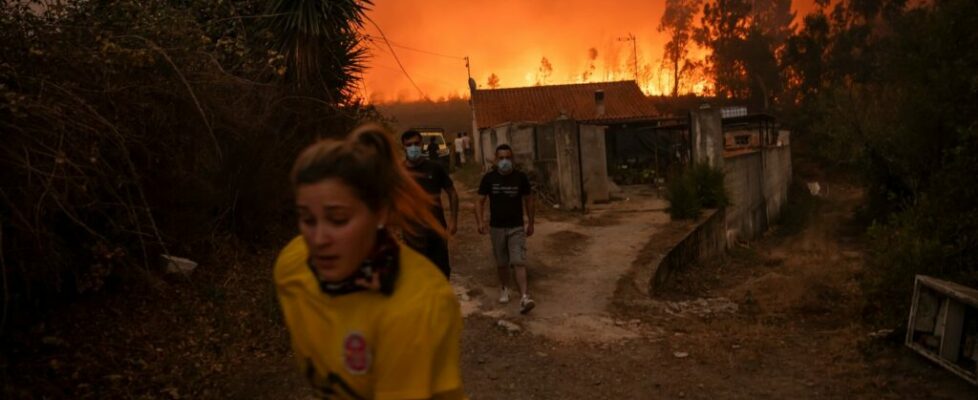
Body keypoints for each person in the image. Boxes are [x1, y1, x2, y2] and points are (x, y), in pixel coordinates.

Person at [274, 124, 466, 399]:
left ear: (381, 213)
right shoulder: (292, 268)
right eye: (307, 218)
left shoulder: (418, 306)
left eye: (338, 219)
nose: (318, 239)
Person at [474, 144, 536, 314]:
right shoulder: (489, 178)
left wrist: (531, 222)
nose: (505, 161)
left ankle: (524, 296)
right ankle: (504, 288)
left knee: (518, 261)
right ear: (495, 160)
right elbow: (479, 201)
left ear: (513, 159)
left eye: (508, 157)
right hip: (497, 228)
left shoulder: (520, 178)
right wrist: (480, 222)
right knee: (502, 263)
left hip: (516, 226)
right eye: (501, 158)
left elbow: (529, 200)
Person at [400, 129, 459, 278]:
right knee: (417, 277)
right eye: (409, 145)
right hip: (412, 235)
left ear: (422, 145)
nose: (413, 148)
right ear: (404, 147)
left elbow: (452, 193)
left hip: (437, 231)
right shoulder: (399, 172)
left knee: (442, 274)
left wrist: (453, 221)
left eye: (416, 144)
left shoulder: (435, 168)